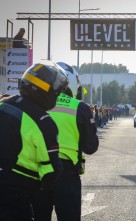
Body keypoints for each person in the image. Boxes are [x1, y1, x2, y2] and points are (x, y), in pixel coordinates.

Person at [0, 62, 68, 220]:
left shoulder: (3, 104)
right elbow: (51, 171)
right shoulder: (44, 122)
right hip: (15, 194)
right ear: (47, 91)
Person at [32, 62, 99, 221]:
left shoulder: (35, 105)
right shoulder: (80, 108)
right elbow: (90, 147)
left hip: (36, 173)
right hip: (66, 174)